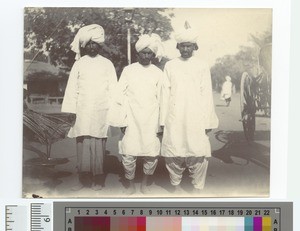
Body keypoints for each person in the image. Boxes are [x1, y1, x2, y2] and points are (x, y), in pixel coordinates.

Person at [160, 25, 219, 194]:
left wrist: (208, 120)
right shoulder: (170, 65)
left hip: (196, 114)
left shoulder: (201, 65)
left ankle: (198, 187)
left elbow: (206, 93)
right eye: (182, 45)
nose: (185, 49)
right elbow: (165, 93)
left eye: (189, 46)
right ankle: (176, 185)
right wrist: (163, 120)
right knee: (174, 149)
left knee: (197, 149)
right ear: (177, 46)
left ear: (194, 47)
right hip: (175, 114)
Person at [61, 24, 117, 191]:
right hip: (83, 111)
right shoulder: (79, 64)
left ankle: (98, 180)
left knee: (98, 144)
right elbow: (72, 88)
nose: (92, 47)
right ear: (84, 45)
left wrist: (114, 112)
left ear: (100, 45)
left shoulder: (107, 64)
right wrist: (71, 110)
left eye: (95, 44)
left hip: (101, 111)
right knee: (83, 143)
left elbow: (113, 89)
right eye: (89, 44)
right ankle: (82, 180)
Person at [108, 34, 163, 194]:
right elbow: (119, 96)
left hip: (151, 118)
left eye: (149, 53)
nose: (146, 56)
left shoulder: (158, 73)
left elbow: (162, 99)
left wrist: (161, 123)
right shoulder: (128, 70)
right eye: (143, 53)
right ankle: (130, 185)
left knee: (151, 154)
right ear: (137, 54)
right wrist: (122, 121)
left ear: (153, 54)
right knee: (128, 153)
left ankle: (145, 184)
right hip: (131, 117)